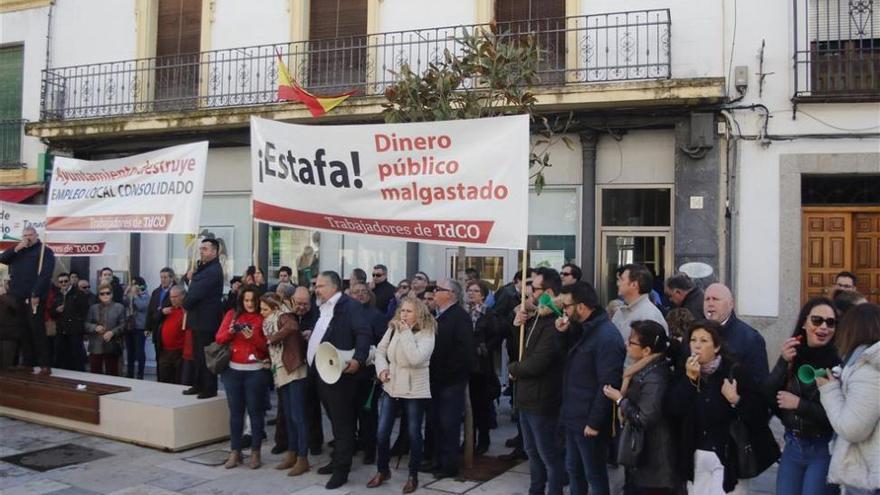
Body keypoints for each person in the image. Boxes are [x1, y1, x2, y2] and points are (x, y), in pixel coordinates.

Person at [666, 319, 769, 494]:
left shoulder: (734, 372)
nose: (696, 346)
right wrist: (690, 381)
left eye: (704, 341)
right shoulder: (685, 372)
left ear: (716, 346)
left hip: (728, 458)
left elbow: (759, 413)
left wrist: (735, 399)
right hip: (696, 457)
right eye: (693, 340)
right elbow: (672, 410)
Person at [764, 297, 841, 495]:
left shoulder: (838, 363)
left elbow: (835, 417)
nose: (824, 327)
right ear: (804, 323)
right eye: (817, 320)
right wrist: (782, 361)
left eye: (830, 322)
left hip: (823, 448)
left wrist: (799, 404)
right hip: (793, 446)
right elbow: (767, 394)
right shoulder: (793, 356)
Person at [556, 282, 625, 495]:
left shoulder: (606, 335)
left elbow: (608, 382)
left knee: (594, 474)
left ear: (582, 306)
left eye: (567, 306)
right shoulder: (582, 329)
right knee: (574, 470)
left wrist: (594, 422)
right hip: (574, 414)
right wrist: (563, 333)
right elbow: (566, 359)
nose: (564, 311)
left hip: (588, 420)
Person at [367, 296, 436, 493]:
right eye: (402, 310)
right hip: (391, 386)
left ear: (419, 313)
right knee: (382, 432)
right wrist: (382, 370)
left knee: (414, 434)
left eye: (409, 311)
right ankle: (383, 470)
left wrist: (405, 332)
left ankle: (413, 475)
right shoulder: (393, 328)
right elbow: (380, 352)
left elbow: (415, 358)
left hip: (415, 390)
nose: (404, 314)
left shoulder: (428, 332)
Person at [309, 271, 371, 489]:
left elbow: (364, 333)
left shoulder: (350, 306)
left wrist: (358, 359)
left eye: (321, 285)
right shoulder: (323, 307)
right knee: (335, 422)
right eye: (316, 285)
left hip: (340, 375)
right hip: (321, 373)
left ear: (334, 287)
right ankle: (337, 460)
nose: (317, 289)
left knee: (343, 424)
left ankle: (341, 470)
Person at [602, 320, 678, 494]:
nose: (626, 345)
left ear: (647, 351)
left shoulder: (655, 377)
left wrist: (620, 400)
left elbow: (644, 417)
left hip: (652, 460)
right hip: (642, 455)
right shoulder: (642, 369)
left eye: (632, 342)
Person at [509, 267, 566, 495]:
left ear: (548, 292)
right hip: (526, 396)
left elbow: (538, 362)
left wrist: (514, 369)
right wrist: (517, 326)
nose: (529, 292)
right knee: (531, 451)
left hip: (542, 399)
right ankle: (536, 490)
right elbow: (522, 351)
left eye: (534, 288)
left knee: (548, 454)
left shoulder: (555, 322)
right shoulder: (536, 317)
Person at [816, 303, 880, 495]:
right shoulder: (862, 364)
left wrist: (828, 390)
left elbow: (853, 429)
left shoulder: (869, 370)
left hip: (867, 478)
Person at [217, 287, 269, 469]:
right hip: (233, 371)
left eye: (253, 301)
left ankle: (255, 452)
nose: (249, 304)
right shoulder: (232, 314)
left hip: (256, 371)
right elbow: (219, 338)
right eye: (246, 300)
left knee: (256, 413)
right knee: (236, 414)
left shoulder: (262, 316)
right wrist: (232, 331)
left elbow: (267, 347)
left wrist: (253, 337)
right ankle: (235, 451)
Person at [428, 278, 474, 479]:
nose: (434, 292)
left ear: (451, 294)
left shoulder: (459, 317)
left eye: (439, 289)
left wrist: (447, 374)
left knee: (449, 424)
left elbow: (464, 353)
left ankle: (449, 465)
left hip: (450, 382)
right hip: (436, 380)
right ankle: (437, 460)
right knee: (436, 422)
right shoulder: (440, 316)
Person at [260, 293, 310, 477]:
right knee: (288, 415)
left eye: (264, 309)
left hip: (294, 368)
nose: (261, 312)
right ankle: (292, 453)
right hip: (281, 368)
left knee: (298, 416)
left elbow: (292, 326)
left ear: (274, 307)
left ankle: (303, 458)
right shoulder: (271, 320)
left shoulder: (284, 316)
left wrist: (273, 338)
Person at [0, 226, 56, 374]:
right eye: (25, 235)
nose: (27, 238)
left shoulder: (45, 251)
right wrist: (16, 248)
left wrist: (36, 293)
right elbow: (2, 259)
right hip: (18, 295)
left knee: (36, 329)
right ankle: (27, 362)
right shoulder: (19, 250)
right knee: (23, 329)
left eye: (30, 235)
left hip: (34, 296)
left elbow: (45, 274)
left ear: (36, 235)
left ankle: (44, 364)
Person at [183, 238, 225, 399]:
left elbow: (196, 292)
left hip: (206, 320)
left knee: (206, 355)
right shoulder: (203, 267)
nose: (201, 251)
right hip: (198, 319)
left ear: (214, 252)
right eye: (201, 249)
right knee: (198, 355)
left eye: (205, 249)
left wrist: (185, 303)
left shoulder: (213, 270)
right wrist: (189, 278)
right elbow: (193, 283)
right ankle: (198, 384)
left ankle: (208, 388)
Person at [349, 281, 387, 465]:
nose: (361, 295)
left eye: (364, 291)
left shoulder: (376, 316)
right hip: (348, 371)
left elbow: (383, 343)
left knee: (368, 413)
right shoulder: (346, 314)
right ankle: (356, 442)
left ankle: (370, 449)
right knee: (351, 412)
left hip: (368, 373)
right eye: (356, 292)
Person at [703, 283, 769, 384]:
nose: (710, 303)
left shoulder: (750, 339)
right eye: (707, 299)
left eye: (715, 299)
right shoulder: (695, 333)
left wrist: (737, 399)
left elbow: (759, 384)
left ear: (731, 304)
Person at [466, 279, 500, 455]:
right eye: (469, 290)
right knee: (467, 407)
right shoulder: (464, 312)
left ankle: (483, 440)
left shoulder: (489, 314)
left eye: (476, 291)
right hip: (466, 366)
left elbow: (496, 336)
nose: (471, 293)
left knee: (481, 406)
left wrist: (484, 348)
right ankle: (468, 441)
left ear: (483, 295)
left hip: (481, 367)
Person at [612, 264, 669, 342]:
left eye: (622, 279)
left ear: (634, 285)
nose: (618, 283)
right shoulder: (620, 312)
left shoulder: (649, 315)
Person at [84, 283, 127, 375]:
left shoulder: (119, 307)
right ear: (99, 296)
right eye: (102, 294)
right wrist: (95, 327)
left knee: (112, 372)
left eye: (107, 293)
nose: (105, 296)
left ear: (112, 294)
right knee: (95, 373)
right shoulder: (93, 308)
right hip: (96, 344)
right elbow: (86, 324)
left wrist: (112, 332)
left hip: (112, 344)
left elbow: (123, 325)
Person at [52, 272, 89, 371]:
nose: (63, 283)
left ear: (70, 281)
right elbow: (52, 313)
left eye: (65, 281)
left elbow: (84, 311)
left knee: (76, 357)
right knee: (62, 357)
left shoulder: (78, 293)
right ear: (58, 283)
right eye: (61, 282)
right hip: (61, 331)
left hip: (74, 331)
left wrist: (80, 326)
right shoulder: (57, 295)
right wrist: (56, 310)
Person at [157, 286, 188, 384]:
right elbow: (152, 319)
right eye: (171, 297)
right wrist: (161, 312)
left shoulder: (186, 311)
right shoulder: (167, 310)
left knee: (177, 379)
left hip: (179, 351)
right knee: (164, 378)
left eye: (175, 297)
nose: (173, 299)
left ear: (182, 296)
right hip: (165, 350)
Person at [146, 267, 176, 366]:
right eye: (161, 277)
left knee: (169, 360)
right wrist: (147, 327)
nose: (163, 280)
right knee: (159, 358)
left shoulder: (177, 291)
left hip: (170, 329)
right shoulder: (156, 292)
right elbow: (150, 310)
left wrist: (162, 311)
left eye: (165, 277)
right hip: (157, 328)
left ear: (172, 278)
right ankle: (159, 379)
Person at [124, 277, 150, 379]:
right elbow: (123, 303)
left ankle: (140, 373)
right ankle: (129, 372)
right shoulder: (130, 296)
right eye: (132, 284)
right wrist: (126, 293)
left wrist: (135, 295)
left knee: (139, 351)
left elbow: (141, 306)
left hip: (140, 327)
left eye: (135, 284)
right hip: (129, 326)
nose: (133, 286)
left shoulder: (146, 296)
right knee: (130, 351)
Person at [0, 281, 19, 369]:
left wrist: (3, 295)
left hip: (9, 335)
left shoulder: (14, 296)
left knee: (6, 365)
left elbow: (15, 306)